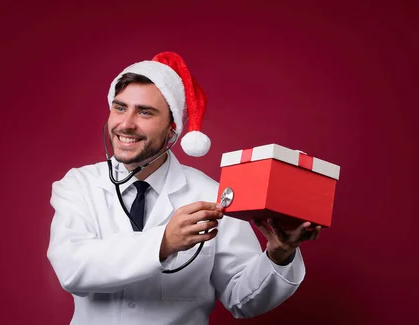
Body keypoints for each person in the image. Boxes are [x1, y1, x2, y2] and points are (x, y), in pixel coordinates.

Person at [46, 51, 321, 325]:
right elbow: (72, 268)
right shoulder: (78, 185)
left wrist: (279, 254)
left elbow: (242, 299)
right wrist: (165, 242)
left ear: (172, 129)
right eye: (119, 108)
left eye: (144, 112)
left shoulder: (213, 197)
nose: (126, 124)